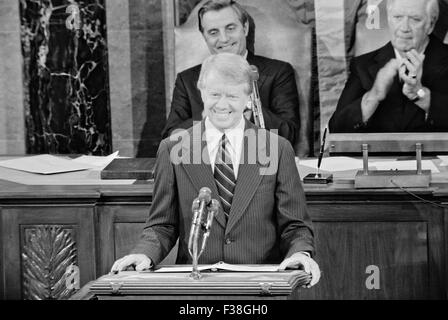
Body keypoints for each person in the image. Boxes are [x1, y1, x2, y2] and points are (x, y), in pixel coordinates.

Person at [112, 53, 320, 287]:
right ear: (201, 91)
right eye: (214, 94)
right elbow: (162, 224)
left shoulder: (278, 148)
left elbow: (295, 225)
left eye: (232, 95)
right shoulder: (173, 148)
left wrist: (300, 254)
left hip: (260, 283)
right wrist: (144, 253)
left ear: (248, 97)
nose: (222, 104)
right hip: (197, 285)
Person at [162, 0, 301, 147]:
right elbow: (170, 138)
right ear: (204, 37)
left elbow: (289, 134)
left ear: (245, 28)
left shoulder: (278, 73)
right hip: (204, 166)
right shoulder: (187, 80)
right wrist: (207, 118)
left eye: (230, 28)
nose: (224, 39)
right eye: (213, 32)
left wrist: (249, 109)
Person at [329, 0, 448, 133]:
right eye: (397, 17)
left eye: (415, 19)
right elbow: (336, 130)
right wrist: (373, 96)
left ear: (430, 25)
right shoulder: (363, 65)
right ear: (389, 19)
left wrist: (421, 95)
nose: (404, 28)